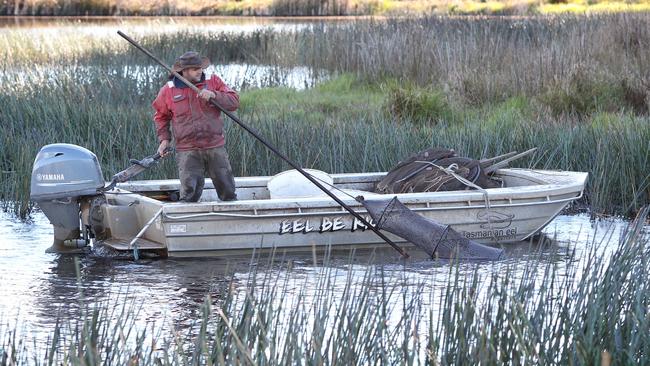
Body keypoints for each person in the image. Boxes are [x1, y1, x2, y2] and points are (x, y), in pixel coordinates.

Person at [152, 51, 239, 202]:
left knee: (228, 190)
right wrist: (164, 140)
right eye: (195, 69)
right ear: (184, 71)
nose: (200, 71)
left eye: (201, 68)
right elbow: (161, 116)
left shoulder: (213, 82)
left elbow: (234, 102)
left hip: (214, 146)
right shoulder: (169, 89)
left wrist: (214, 95)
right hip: (187, 150)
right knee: (189, 195)